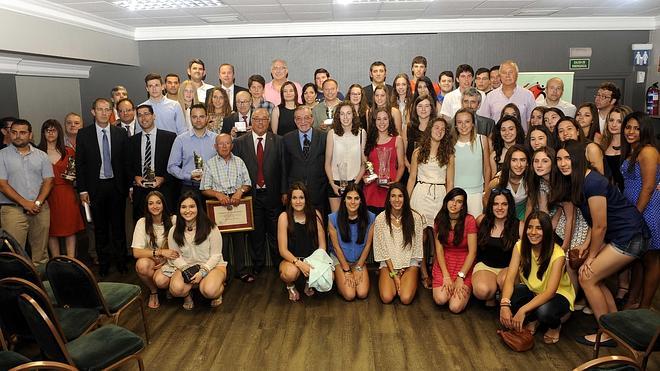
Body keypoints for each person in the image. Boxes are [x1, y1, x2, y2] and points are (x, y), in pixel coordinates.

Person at [557, 140, 649, 346]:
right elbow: (594, 223)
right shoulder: (580, 181)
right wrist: (586, 246)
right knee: (594, 278)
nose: (563, 163)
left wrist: (591, 256)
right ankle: (615, 328)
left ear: (580, 159)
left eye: (568, 158)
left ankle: (605, 333)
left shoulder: (593, 182)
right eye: (559, 159)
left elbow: (601, 225)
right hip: (622, 235)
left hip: (630, 236)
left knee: (587, 277)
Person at [499, 211, 575, 344]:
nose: (533, 232)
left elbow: (550, 292)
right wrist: (504, 304)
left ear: (547, 231)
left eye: (539, 228)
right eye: (530, 227)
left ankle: (555, 325)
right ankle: (534, 318)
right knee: (510, 297)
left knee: (545, 311)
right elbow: (510, 278)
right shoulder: (520, 246)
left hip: (557, 294)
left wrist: (523, 310)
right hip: (532, 290)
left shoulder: (558, 254)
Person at [76, 98, 130, 276]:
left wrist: (129, 186)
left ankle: (122, 263)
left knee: (118, 227)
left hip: (116, 186)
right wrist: (82, 190)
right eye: (100, 109)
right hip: (95, 187)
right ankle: (104, 264)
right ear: (93, 112)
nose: (104, 113)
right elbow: (80, 164)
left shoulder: (120, 133)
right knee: (100, 229)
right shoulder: (84, 134)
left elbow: (125, 163)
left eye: (107, 109)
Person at [232, 108, 288, 276]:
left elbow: (284, 168)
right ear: (251, 121)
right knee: (255, 233)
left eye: (264, 119)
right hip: (251, 195)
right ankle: (258, 264)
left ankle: (279, 263)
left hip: (274, 194)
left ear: (269, 121)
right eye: (257, 119)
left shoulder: (278, 141)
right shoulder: (240, 142)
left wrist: (285, 192)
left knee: (274, 231)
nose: (260, 122)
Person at [0, 119, 53, 267]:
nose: (18, 136)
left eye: (22, 132)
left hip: (40, 209)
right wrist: (26, 204)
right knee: (14, 254)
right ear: (9, 134)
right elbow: (2, 185)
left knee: (41, 254)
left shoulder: (41, 155)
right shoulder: (1, 156)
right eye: (14, 132)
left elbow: (48, 181)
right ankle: (19, 287)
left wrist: (36, 203)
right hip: (13, 211)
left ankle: (42, 287)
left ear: (30, 135)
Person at [620, 112, 659, 309]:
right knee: (638, 259)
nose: (631, 132)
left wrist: (636, 214)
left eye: (636, 128)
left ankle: (644, 307)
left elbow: (649, 187)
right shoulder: (634, 150)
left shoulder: (648, 151)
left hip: (648, 211)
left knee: (651, 260)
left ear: (644, 130)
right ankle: (631, 303)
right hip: (636, 209)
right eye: (628, 127)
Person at [200, 133, 252, 282]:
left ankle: (241, 271)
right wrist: (217, 194)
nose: (224, 146)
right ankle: (223, 273)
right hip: (218, 206)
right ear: (215, 146)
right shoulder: (210, 164)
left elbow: (247, 183)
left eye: (227, 143)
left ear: (232, 145)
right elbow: (204, 188)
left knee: (239, 240)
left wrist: (240, 191)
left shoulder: (239, 162)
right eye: (220, 144)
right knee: (221, 242)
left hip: (237, 204)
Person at [167, 191, 227, 310]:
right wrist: (187, 270)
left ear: (198, 208)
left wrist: (203, 272)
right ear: (179, 209)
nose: (187, 210)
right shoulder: (174, 230)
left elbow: (216, 256)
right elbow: (175, 256)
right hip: (187, 266)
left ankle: (218, 290)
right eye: (183, 207)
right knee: (175, 289)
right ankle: (187, 295)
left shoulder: (211, 227)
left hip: (212, 266)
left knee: (209, 291)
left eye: (192, 206)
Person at [37, 119, 84, 258]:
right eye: (47, 130)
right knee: (51, 229)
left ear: (59, 132)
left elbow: (76, 172)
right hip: (46, 195)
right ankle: (56, 260)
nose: (51, 133)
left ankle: (71, 260)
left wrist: (73, 176)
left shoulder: (68, 151)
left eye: (54, 130)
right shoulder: (37, 152)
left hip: (66, 193)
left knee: (70, 228)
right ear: (43, 133)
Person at [373, 183, 424, 305]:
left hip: (409, 263)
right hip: (388, 263)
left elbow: (416, 248)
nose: (397, 200)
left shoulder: (415, 218)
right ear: (389, 199)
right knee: (386, 297)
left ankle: (409, 280)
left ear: (405, 198)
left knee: (405, 298)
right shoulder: (380, 219)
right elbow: (381, 249)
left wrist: (403, 269)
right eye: (393, 196)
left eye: (400, 196)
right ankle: (391, 280)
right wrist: (394, 275)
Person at [277, 183, 327, 302]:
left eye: (301, 197)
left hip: (312, 259)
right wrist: (299, 263)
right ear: (290, 200)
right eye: (294, 198)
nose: (298, 201)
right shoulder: (284, 217)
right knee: (289, 273)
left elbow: (322, 246)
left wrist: (313, 263)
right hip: (292, 260)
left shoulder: (315, 215)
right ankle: (290, 286)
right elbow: (282, 250)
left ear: (306, 199)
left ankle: (309, 281)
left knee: (331, 277)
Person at [432, 188, 478, 313]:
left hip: (464, 263)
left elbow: (473, 252)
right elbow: (439, 250)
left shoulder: (470, 220)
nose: (454, 204)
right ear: (446, 201)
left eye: (459, 202)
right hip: (445, 262)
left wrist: (461, 276)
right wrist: (446, 276)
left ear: (463, 206)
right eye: (451, 200)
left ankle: (468, 290)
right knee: (441, 299)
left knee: (455, 307)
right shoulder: (439, 220)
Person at [129, 104, 177, 221]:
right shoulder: (132, 140)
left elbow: (176, 164)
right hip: (141, 192)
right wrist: (135, 177)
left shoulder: (170, 138)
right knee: (142, 226)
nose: (143, 118)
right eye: (139, 115)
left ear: (154, 116)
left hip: (164, 190)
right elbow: (127, 164)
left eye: (146, 114)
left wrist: (163, 178)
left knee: (166, 227)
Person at [327, 183, 375, 301]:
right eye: (349, 198)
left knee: (362, 293)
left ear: (361, 201)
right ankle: (339, 281)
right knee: (350, 295)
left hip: (359, 260)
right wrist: (347, 271)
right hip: (340, 259)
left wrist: (358, 267)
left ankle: (347, 277)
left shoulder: (371, 218)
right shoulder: (333, 219)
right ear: (344, 200)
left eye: (356, 198)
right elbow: (336, 247)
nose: (352, 202)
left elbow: (368, 245)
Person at [473, 189, 520, 306]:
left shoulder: (519, 226)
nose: (500, 208)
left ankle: (502, 294)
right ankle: (492, 294)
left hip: (508, 267)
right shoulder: (481, 220)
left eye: (504, 204)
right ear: (490, 206)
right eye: (496, 204)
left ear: (510, 206)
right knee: (482, 291)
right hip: (485, 266)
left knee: (505, 281)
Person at [132, 191, 176, 309]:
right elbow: (136, 252)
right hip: (154, 260)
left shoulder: (174, 220)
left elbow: (183, 246)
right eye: (150, 203)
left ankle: (171, 287)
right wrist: (159, 253)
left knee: (162, 282)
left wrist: (166, 258)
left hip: (172, 260)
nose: (155, 206)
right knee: (141, 265)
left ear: (163, 204)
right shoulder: (142, 222)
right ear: (147, 206)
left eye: (158, 203)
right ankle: (154, 292)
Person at [407, 117, 454, 228]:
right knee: (419, 230)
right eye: (437, 127)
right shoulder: (417, 152)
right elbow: (412, 178)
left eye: (443, 129)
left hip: (440, 195)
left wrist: (448, 203)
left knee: (438, 231)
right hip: (421, 194)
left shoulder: (449, 155)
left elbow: (450, 182)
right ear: (430, 130)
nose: (439, 131)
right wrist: (406, 200)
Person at [283, 106, 328, 215]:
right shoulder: (287, 138)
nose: (303, 122)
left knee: (319, 226)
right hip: (296, 194)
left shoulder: (324, 137)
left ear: (312, 119)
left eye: (306, 118)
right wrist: (284, 191)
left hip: (319, 191)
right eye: (298, 118)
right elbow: (284, 167)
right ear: (295, 121)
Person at [167, 103, 218, 200]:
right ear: (190, 118)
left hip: (213, 188)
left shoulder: (216, 138)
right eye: (194, 117)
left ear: (207, 118)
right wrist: (189, 176)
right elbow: (171, 166)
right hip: (189, 188)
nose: (198, 120)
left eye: (201, 116)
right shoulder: (181, 140)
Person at [325, 101, 366, 212]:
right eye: (342, 114)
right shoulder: (332, 133)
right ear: (338, 116)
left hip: (355, 182)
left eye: (348, 113)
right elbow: (327, 163)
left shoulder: (361, 133)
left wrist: (356, 183)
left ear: (353, 115)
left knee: (354, 221)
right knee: (336, 221)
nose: (345, 117)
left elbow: (364, 163)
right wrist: (332, 183)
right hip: (336, 185)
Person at [363, 108, 404, 214]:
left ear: (390, 121)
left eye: (385, 119)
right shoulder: (369, 140)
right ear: (374, 121)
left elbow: (401, 166)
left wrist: (395, 183)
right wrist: (365, 177)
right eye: (378, 119)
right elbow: (366, 165)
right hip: (371, 190)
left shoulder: (397, 140)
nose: (382, 122)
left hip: (389, 189)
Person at [453, 108, 491, 216]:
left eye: (467, 122)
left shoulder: (482, 139)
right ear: (455, 125)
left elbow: (487, 167)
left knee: (476, 226)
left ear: (473, 123)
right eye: (459, 122)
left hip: (477, 193)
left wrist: (486, 192)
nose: (463, 126)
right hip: (457, 192)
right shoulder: (451, 143)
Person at [480, 60, 536, 130]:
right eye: (504, 73)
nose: (507, 75)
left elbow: (532, 121)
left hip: (521, 139)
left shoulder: (528, 95)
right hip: (497, 139)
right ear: (500, 76)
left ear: (517, 74)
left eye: (510, 72)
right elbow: (484, 122)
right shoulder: (490, 96)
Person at [485, 144, 529, 220]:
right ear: (508, 162)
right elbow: (486, 199)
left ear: (527, 163)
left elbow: (530, 205)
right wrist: (495, 218)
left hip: (523, 215)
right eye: (514, 160)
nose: (519, 165)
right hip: (501, 215)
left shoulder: (530, 180)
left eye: (522, 160)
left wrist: (525, 224)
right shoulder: (497, 180)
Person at [598, 106, 632, 191]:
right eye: (611, 120)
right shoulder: (601, 144)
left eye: (619, 121)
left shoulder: (632, 146)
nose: (614, 125)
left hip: (629, 193)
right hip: (607, 192)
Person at [404, 95, 435, 171]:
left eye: (427, 106)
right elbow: (402, 154)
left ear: (431, 109)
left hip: (430, 172)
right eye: (420, 106)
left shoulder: (436, 128)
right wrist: (409, 166)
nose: (423, 109)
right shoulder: (408, 128)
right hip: (410, 171)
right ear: (415, 109)